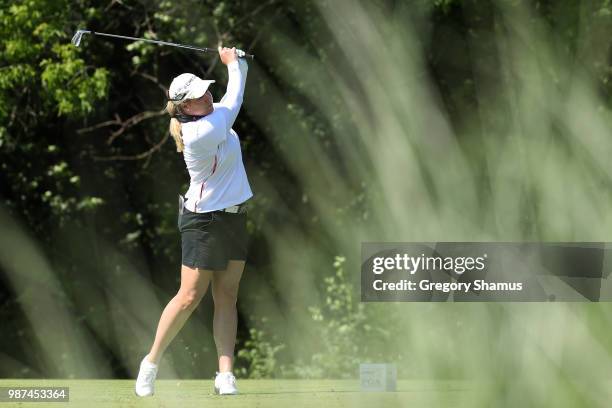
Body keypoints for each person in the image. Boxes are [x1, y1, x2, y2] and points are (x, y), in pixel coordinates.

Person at [135, 46, 251, 397]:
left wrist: (237, 64)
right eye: (201, 95)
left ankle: (225, 376)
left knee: (227, 296)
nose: (208, 95)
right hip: (203, 221)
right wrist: (236, 64)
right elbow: (234, 100)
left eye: (207, 89)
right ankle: (151, 364)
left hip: (235, 217)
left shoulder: (209, 118)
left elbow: (225, 104)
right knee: (189, 297)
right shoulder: (200, 133)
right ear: (186, 107)